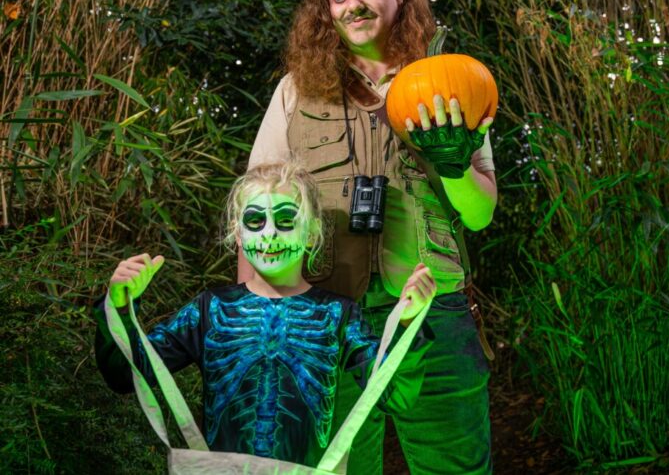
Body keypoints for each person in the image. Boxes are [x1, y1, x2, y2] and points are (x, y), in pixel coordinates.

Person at [240, 0, 497, 474]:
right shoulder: (296, 91)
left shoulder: (454, 84)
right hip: (326, 319)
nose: (352, 5)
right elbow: (257, 210)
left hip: (435, 317)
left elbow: (479, 213)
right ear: (326, 9)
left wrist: (454, 168)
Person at [92, 160, 437, 467]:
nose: (270, 234)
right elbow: (125, 373)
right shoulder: (211, 309)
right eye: (255, 221)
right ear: (237, 234)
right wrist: (120, 306)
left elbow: (394, 395)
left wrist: (408, 321)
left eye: (286, 219)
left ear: (313, 232)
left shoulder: (336, 314)